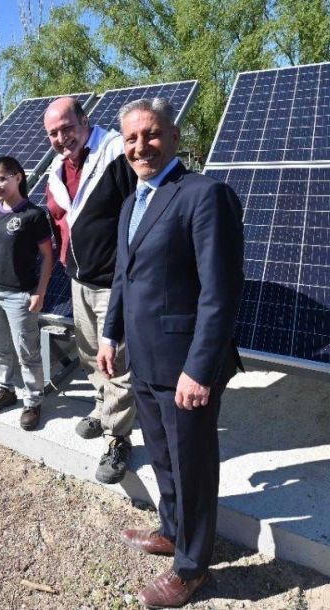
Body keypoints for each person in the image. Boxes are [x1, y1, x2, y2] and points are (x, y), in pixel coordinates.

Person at [97, 98, 244, 608]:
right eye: (131, 138)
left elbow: (220, 292)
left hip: (186, 367)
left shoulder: (204, 195)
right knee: (163, 456)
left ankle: (192, 567)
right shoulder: (131, 201)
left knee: (193, 465)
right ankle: (172, 529)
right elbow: (123, 276)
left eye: (152, 135)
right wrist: (109, 334)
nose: (141, 146)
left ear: (175, 137)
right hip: (143, 358)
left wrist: (199, 369)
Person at [43, 96, 138, 484]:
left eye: (67, 127)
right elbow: (59, 218)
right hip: (79, 279)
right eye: (53, 133)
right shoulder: (57, 168)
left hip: (114, 282)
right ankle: (103, 409)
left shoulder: (116, 153)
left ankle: (118, 439)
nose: (62, 137)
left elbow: (141, 209)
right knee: (88, 355)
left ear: (85, 121)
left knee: (115, 361)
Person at [0, 156, 53, 430]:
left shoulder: (33, 215)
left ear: (18, 177)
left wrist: (39, 292)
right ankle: (5, 390)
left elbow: (47, 256)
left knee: (27, 351)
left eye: (2, 178)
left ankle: (33, 401)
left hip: (20, 295)